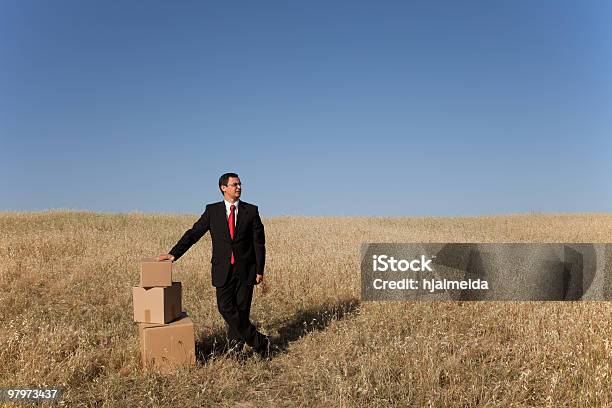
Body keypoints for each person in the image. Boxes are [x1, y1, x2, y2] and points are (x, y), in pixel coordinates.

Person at [155, 172, 270, 357]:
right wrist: (173, 254)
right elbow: (193, 234)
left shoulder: (251, 211)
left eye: (240, 184)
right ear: (223, 188)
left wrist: (259, 269)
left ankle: (235, 352)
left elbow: (259, 243)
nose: (239, 187)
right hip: (222, 269)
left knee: (241, 312)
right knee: (225, 308)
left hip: (246, 270)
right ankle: (259, 341)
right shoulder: (212, 211)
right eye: (234, 184)